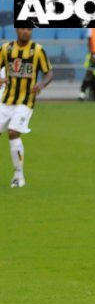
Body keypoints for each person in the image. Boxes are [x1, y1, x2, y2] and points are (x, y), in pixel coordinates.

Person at [0, 28, 52, 188]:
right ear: (17, 30)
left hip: (26, 100)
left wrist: (41, 84)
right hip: (6, 99)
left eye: (28, 29)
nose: (25, 32)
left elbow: (49, 72)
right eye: (23, 29)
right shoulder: (6, 48)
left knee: (13, 132)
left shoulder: (37, 50)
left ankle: (18, 176)